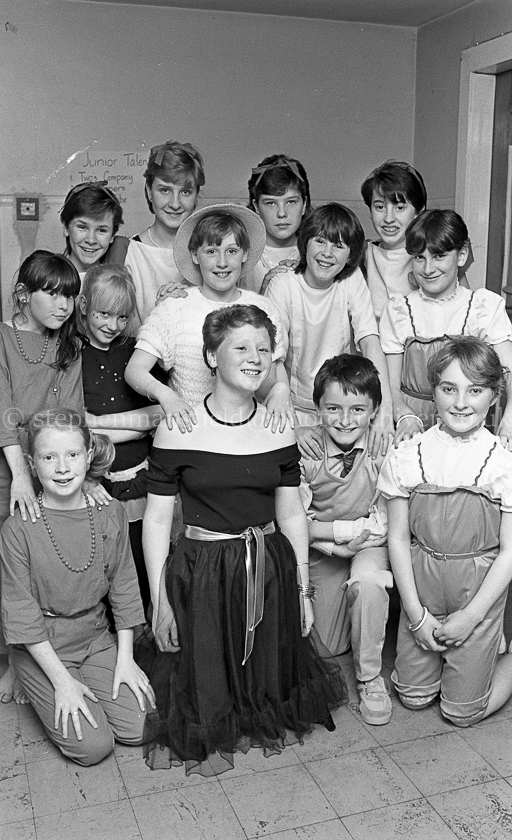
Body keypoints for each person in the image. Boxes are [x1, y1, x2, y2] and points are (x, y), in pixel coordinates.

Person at [138, 304, 345, 775]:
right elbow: (155, 521)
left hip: (266, 569)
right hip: (204, 574)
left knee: (268, 691)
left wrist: (302, 589)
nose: (256, 357)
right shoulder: (178, 428)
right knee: (206, 700)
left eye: (264, 349)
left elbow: (291, 513)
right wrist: (159, 599)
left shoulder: (277, 428)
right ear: (212, 356)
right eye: (242, 347)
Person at [1, 408, 155, 764]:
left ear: (88, 458)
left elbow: (125, 587)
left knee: (140, 727)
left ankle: (94, 677)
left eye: (72, 455)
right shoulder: (17, 529)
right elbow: (21, 613)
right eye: (49, 457)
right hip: (44, 646)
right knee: (93, 747)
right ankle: (33, 680)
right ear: (32, 463)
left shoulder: (109, 511)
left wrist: (126, 658)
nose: (62, 467)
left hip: (95, 635)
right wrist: (62, 682)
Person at [379, 336, 512, 726]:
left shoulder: (502, 465)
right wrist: (416, 614)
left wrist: (471, 617)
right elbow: (399, 539)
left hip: (478, 591)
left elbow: (509, 553)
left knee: (462, 713)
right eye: (448, 388)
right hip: (422, 588)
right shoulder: (409, 455)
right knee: (413, 696)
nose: (460, 402)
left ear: (494, 395)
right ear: (433, 390)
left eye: (475, 390)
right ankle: (440, 659)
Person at [125, 204, 293, 436]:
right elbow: (135, 370)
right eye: (211, 251)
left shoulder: (262, 308)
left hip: (248, 433)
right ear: (195, 255)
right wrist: (166, 396)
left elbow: (273, 372)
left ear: (245, 253)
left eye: (232, 251)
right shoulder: (175, 307)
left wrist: (281, 389)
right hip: (190, 434)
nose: (222, 262)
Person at [0, 250, 83, 703]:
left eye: (69, 295)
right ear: (22, 295)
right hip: (10, 470)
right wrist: (19, 475)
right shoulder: (3, 339)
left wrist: (67, 477)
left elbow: (70, 416)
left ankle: (32, 658)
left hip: (52, 470)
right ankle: (11, 660)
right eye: (51, 294)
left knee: (41, 566)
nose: (62, 305)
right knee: (8, 567)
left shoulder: (69, 346)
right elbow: (2, 409)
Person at [299, 354, 392, 725]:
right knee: (327, 648)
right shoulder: (305, 451)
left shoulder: (384, 448)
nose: (344, 419)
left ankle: (370, 677)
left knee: (369, 582)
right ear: (317, 409)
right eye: (333, 408)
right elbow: (294, 522)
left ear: (374, 411)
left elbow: (389, 520)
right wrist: (339, 539)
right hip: (325, 547)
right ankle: (353, 617)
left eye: (358, 408)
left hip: (370, 543)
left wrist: (358, 537)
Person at [265, 202, 393, 458]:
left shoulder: (351, 279)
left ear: (350, 255)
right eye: (320, 241)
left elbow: (369, 340)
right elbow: (274, 357)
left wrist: (384, 410)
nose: (327, 253)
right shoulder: (283, 285)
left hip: (343, 409)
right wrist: (294, 428)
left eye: (338, 245)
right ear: (305, 242)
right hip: (295, 407)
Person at [380, 209, 512, 446]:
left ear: (461, 256)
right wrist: (405, 416)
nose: (428, 269)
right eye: (419, 257)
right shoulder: (399, 311)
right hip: (413, 425)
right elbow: (391, 387)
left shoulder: (482, 308)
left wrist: (510, 420)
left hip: (467, 423)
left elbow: (509, 372)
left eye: (439, 256)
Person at [79, 264, 164, 615]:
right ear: (83, 305)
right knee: (99, 574)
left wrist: (98, 423)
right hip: (93, 483)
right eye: (103, 314)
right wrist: (137, 424)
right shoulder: (70, 354)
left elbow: (160, 413)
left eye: (121, 317)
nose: (112, 326)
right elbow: (71, 424)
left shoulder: (135, 351)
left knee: (143, 573)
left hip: (140, 482)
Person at [125, 140, 206, 330]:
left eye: (185, 192)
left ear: (196, 196)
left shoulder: (211, 252)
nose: (175, 204)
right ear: (149, 191)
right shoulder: (129, 253)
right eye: (165, 190)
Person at [360, 161, 427, 322]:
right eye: (380, 207)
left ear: (419, 212)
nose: (388, 219)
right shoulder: (362, 254)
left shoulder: (432, 257)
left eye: (399, 207)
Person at [240, 153, 311, 294]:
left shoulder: (319, 251)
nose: (282, 213)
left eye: (291, 202)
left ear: (304, 204)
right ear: (256, 206)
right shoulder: (239, 253)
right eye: (271, 203)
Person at [60, 181, 128, 280]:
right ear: (66, 227)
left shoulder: (118, 282)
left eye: (101, 230)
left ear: (112, 235)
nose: (91, 240)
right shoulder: (45, 279)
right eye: (82, 227)